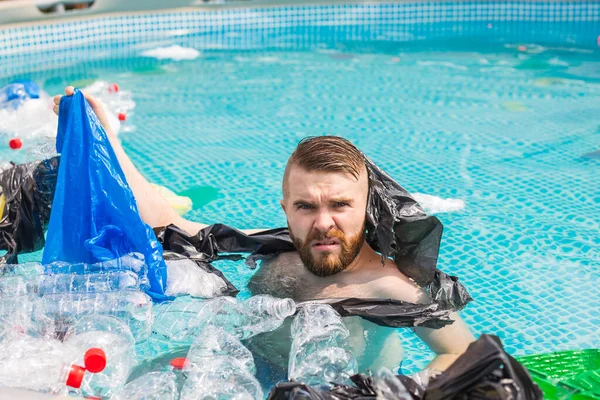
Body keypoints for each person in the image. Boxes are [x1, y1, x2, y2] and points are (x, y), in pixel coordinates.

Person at [53, 86, 474, 373]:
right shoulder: (277, 246)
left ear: (366, 210)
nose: (323, 222)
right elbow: (168, 224)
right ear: (286, 210)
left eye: (340, 205)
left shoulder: (393, 287)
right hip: (244, 366)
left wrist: (402, 393)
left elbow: (462, 354)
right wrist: (107, 139)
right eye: (306, 206)